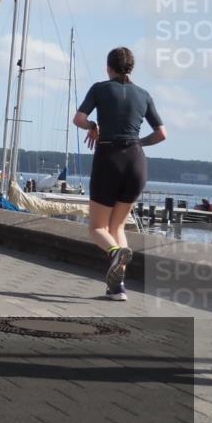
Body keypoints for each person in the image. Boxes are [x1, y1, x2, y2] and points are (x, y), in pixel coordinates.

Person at [74, 46, 166, 301]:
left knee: (97, 227)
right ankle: (117, 288)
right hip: (136, 163)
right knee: (117, 226)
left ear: (108, 67)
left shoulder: (100, 89)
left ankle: (114, 253)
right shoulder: (144, 95)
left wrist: (94, 125)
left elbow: (78, 119)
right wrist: (138, 144)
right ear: (131, 68)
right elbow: (162, 133)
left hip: (109, 159)